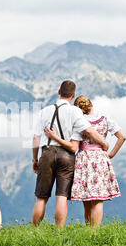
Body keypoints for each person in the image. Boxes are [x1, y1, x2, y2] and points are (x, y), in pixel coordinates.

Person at [31, 80, 109, 228]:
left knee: (41, 198)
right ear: (73, 96)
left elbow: (36, 137)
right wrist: (104, 142)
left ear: (58, 92)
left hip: (46, 153)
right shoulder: (75, 111)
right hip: (66, 156)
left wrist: (35, 159)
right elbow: (89, 131)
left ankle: (34, 231)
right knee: (61, 196)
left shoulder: (45, 111)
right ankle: (59, 231)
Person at [44, 95, 126, 228]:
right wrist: (111, 154)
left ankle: (88, 229)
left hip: (83, 158)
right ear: (91, 104)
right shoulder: (105, 119)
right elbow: (122, 136)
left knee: (87, 198)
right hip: (100, 157)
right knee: (98, 199)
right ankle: (95, 232)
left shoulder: (79, 121)